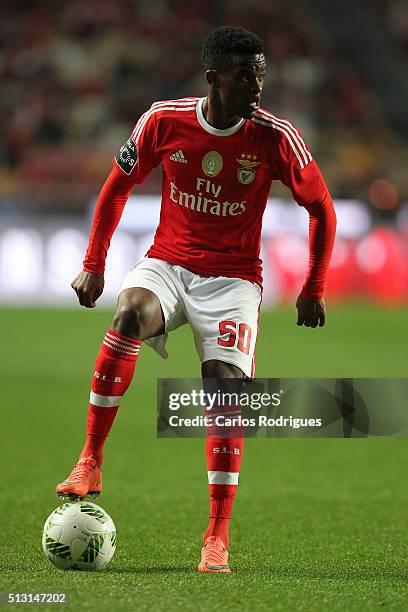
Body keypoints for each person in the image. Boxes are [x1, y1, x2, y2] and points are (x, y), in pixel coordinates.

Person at [56, 25, 336, 573]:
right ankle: (90, 458)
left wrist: (314, 286)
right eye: (244, 77)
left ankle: (217, 535)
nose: (256, 87)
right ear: (214, 78)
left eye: (260, 76)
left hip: (233, 281)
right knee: (129, 312)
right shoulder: (163, 119)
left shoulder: (277, 137)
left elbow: (322, 210)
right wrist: (93, 264)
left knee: (225, 392)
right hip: (168, 262)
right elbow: (116, 187)